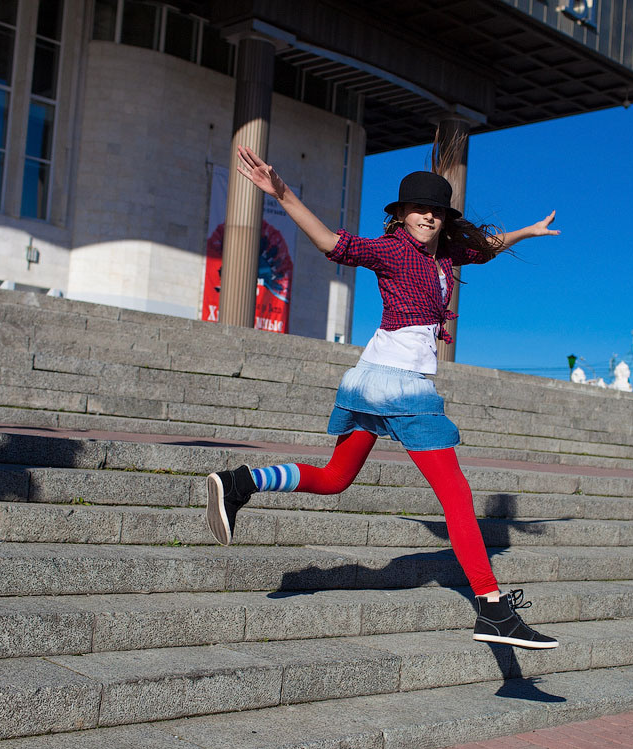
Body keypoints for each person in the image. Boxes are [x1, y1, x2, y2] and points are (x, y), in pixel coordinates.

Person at [207, 144, 560, 649]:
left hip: (373, 379)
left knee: (333, 480)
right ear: (400, 214)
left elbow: (483, 245)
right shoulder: (393, 250)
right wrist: (280, 191)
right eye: (418, 209)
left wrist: (526, 232)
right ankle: (492, 607)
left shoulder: (447, 257)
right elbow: (335, 242)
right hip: (400, 386)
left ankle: (241, 481)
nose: (428, 218)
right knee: (457, 494)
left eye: (436, 211)